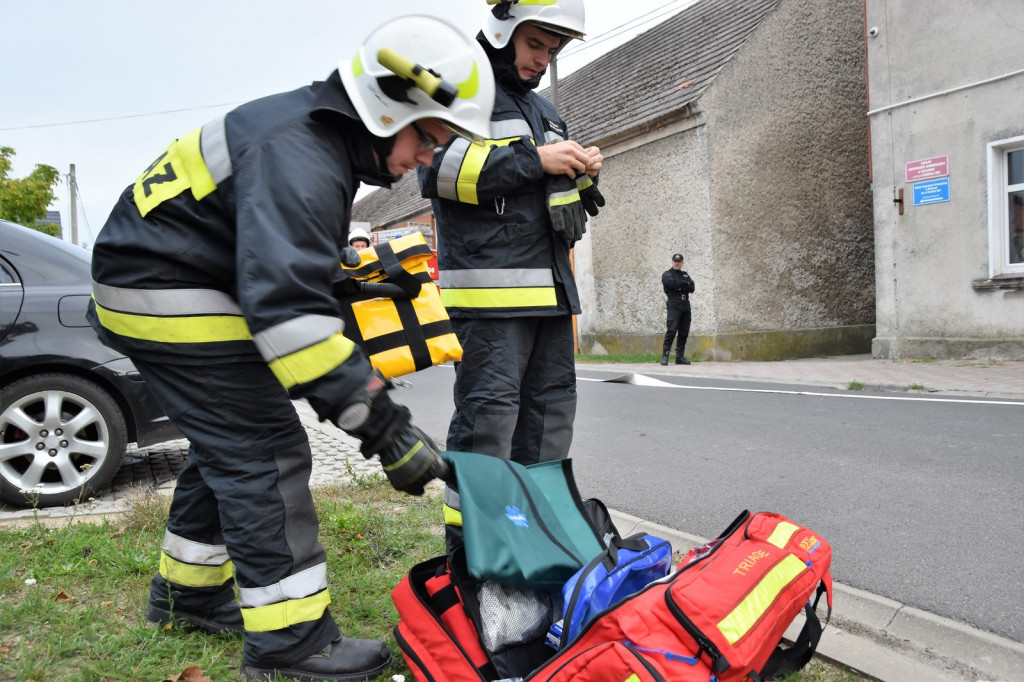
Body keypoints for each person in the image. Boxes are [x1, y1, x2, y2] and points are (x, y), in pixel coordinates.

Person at [86, 16, 495, 682]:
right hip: (166, 293)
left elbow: (262, 246)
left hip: (160, 281)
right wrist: (388, 433)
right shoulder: (302, 154)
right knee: (266, 450)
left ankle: (186, 596)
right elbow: (290, 319)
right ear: (387, 108)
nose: (427, 156)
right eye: (429, 136)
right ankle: (291, 646)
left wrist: (350, 272)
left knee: (231, 442)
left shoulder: (309, 137)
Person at [417, 0, 604, 545]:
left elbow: (555, 200)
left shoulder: (545, 110)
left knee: (550, 423)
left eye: (553, 50)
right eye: (535, 45)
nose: (543, 60)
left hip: (550, 297)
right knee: (487, 427)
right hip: (489, 301)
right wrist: (537, 160)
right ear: (505, 30)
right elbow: (440, 172)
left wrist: (583, 170)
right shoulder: (457, 89)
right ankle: (471, 553)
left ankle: (535, 546)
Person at [661, 253, 696, 366]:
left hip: (685, 305)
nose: (677, 263)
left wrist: (681, 285)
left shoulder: (685, 274)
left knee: (684, 332)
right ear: (672, 262)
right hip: (674, 304)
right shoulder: (667, 274)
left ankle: (679, 357)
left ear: (682, 263)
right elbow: (670, 283)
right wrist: (684, 284)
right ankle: (665, 355)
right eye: (675, 261)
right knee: (672, 330)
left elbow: (692, 287)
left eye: (679, 261)